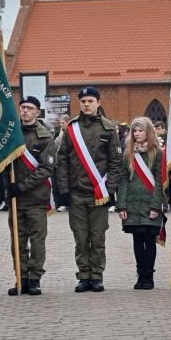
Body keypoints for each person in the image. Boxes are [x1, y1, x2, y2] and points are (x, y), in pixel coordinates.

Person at [56, 87, 123, 292]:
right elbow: (62, 160)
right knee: (80, 238)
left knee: (98, 237)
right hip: (76, 193)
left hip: (99, 194)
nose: (86, 104)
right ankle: (84, 275)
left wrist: (110, 190)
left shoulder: (108, 129)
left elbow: (115, 161)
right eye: (83, 101)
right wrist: (63, 190)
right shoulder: (72, 128)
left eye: (90, 101)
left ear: (98, 103)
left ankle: (97, 276)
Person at [4, 96, 55, 296]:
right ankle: (21, 277)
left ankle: (34, 279)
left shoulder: (44, 137)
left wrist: (22, 186)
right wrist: (8, 186)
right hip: (15, 200)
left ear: (37, 112)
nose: (25, 111)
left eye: (30, 108)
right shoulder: (10, 135)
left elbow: (46, 169)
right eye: (23, 107)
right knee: (17, 241)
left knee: (37, 241)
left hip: (36, 199)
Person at [117, 117, 165, 290]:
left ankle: (149, 276)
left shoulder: (157, 153)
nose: (137, 134)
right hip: (132, 204)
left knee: (149, 240)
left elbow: (160, 180)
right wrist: (121, 205)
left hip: (150, 203)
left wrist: (155, 205)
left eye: (140, 130)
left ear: (149, 132)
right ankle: (140, 275)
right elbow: (123, 180)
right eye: (134, 131)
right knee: (137, 241)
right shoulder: (128, 154)